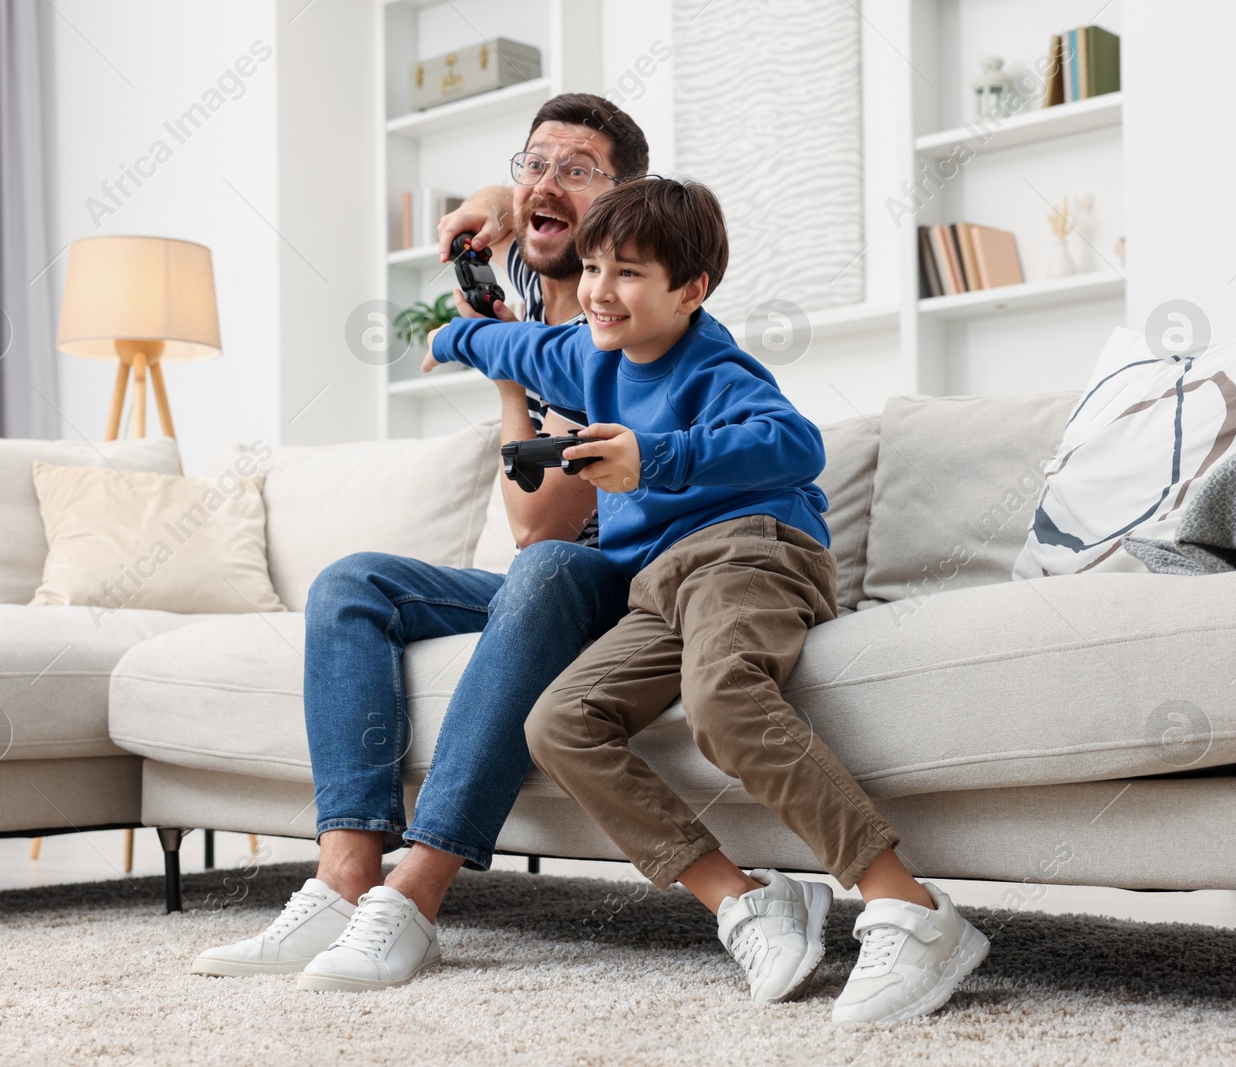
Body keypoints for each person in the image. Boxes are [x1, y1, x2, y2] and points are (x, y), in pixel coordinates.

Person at [420, 176, 990, 1022]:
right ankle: (740, 898)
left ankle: (908, 907)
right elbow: (519, 353)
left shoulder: (714, 363)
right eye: (593, 269)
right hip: (658, 587)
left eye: (629, 274)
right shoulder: (587, 351)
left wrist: (655, 461)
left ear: (691, 289)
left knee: (721, 702)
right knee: (558, 722)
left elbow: (792, 445)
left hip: (749, 551)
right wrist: (460, 336)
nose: (601, 292)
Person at [188, 94, 652, 991]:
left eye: (577, 169)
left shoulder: (623, 311)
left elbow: (538, 524)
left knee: (548, 564)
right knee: (351, 583)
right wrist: (493, 200)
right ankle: (345, 878)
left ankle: (414, 897)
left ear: (626, 202)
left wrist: (506, 359)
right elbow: (506, 203)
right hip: (541, 587)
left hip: (627, 585)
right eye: (535, 162)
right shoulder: (527, 266)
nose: (546, 182)